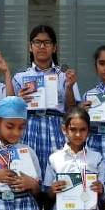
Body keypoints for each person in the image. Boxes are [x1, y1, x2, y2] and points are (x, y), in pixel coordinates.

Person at [13, 25, 78, 175]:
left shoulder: (65, 76)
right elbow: (11, 113)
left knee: (57, 173)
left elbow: (72, 110)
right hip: (28, 127)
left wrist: (69, 87)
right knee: (29, 173)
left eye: (47, 42)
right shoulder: (20, 77)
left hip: (57, 127)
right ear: (30, 47)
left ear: (54, 47)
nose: (42, 46)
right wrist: (19, 100)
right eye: (37, 42)